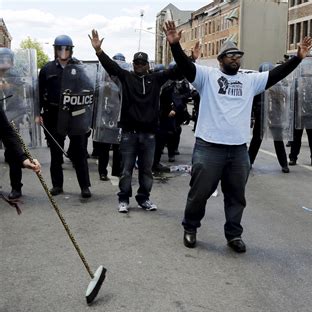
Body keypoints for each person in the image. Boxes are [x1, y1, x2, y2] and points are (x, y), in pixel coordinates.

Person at [164, 20, 312, 253]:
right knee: (199, 193)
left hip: (237, 150)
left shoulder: (249, 80)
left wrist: (297, 58)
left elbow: (276, 75)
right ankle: (190, 228)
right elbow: (185, 67)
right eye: (230, 55)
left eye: (238, 55)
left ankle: (234, 235)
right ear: (220, 59)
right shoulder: (207, 77)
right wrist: (175, 45)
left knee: (236, 197)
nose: (235, 58)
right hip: (209, 148)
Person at [89, 29, 197, 213]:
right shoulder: (126, 77)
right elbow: (111, 67)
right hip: (129, 134)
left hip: (149, 134)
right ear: (133, 64)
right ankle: (123, 199)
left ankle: (144, 198)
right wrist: (99, 51)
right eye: (136, 62)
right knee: (126, 170)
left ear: (148, 65)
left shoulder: (156, 79)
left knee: (146, 171)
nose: (139, 65)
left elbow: (176, 71)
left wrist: (191, 59)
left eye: (142, 62)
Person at [37, 35, 92, 198]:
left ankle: (84, 186)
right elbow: (39, 93)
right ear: (55, 50)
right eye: (60, 48)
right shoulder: (47, 69)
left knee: (80, 152)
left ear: (71, 50)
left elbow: (89, 88)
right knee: (56, 152)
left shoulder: (80, 67)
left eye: (66, 48)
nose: (63, 51)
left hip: (75, 114)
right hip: (53, 114)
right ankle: (57, 185)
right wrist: (36, 113)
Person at [248, 62, 290, 173]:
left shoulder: (278, 86)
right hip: (260, 115)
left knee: (278, 140)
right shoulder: (257, 85)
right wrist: (252, 116)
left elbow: (282, 101)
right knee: (256, 140)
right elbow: (251, 102)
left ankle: (284, 164)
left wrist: (282, 114)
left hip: (274, 116)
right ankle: (249, 162)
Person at [94, 52, 127, 181]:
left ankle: (117, 171)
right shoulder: (102, 83)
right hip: (105, 118)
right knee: (104, 147)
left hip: (119, 118)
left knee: (119, 147)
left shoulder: (124, 82)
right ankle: (103, 172)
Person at [0, 47, 28, 199]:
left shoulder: (15, 76)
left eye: (7, 59)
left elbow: (21, 96)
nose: (4, 62)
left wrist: (9, 87)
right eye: (1, 59)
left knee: (13, 154)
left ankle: (16, 187)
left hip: (11, 118)